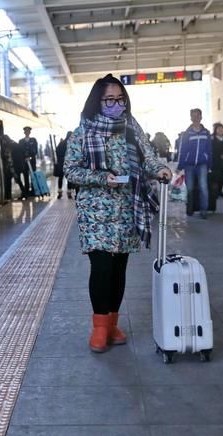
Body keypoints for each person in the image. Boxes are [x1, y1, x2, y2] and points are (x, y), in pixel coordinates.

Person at [64, 73, 171, 353]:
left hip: (126, 207)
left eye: (120, 99)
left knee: (118, 268)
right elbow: (71, 170)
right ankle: (99, 328)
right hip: (95, 211)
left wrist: (160, 169)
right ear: (97, 102)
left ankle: (112, 323)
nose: (115, 105)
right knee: (101, 267)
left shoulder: (132, 128)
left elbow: (148, 157)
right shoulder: (82, 132)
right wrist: (102, 178)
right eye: (109, 100)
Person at [177, 108, 212, 219]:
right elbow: (182, 150)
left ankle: (204, 211)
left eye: (197, 115)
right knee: (189, 189)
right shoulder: (187, 134)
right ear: (191, 118)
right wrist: (180, 166)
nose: (196, 118)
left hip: (202, 164)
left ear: (201, 117)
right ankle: (189, 209)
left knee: (203, 188)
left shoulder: (206, 133)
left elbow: (209, 150)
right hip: (189, 165)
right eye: (193, 116)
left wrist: (210, 164)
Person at [5, 135, 30, 199]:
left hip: (14, 166)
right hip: (18, 165)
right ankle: (24, 194)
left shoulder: (10, 146)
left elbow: (9, 156)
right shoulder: (15, 144)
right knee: (18, 180)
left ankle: (10, 196)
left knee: (16, 180)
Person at [54, 131, 73, 199]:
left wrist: (59, 158)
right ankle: (69, 193)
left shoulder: (61, 143)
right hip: (69, 163)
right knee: (69, 179)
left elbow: (56, 150)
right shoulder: (71, 143)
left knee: (60, 178)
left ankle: (59, 192)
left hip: (61, 163)